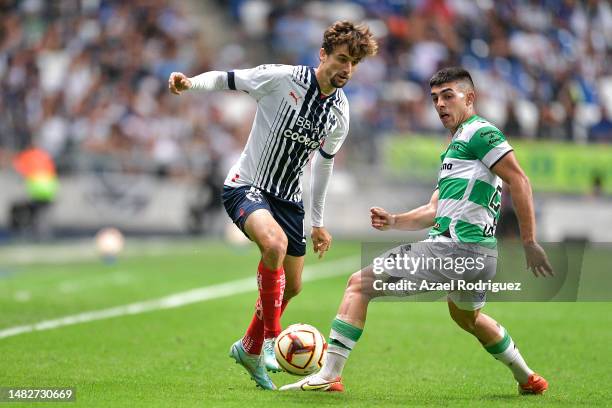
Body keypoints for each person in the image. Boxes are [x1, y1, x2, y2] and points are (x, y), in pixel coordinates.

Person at [281, 67, 553, 394]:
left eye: (448, 96)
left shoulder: (480, 132)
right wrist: (394, 221)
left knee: (358, 285)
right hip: (480, 256)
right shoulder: (457, 149)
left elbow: (519, 180)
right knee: (467, 318)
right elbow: (433, 210)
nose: (440, 104)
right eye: (435, 98)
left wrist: (529, 241)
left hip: (454, 249)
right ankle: (528, 378)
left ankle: (329, 375)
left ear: (470, 98)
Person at [168, 21, 378, 390]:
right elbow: (228, 79)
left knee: (293, 287)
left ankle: (247, 348)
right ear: (323, 54)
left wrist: (317, 222)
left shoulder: (340, 112)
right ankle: (269, 340)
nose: (346, 69)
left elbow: (324, 165)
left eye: (353, 63)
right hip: (247, 186)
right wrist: (190, 83)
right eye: (341, 59)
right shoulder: (282, 78)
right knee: (274, 245)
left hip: (289, 201)